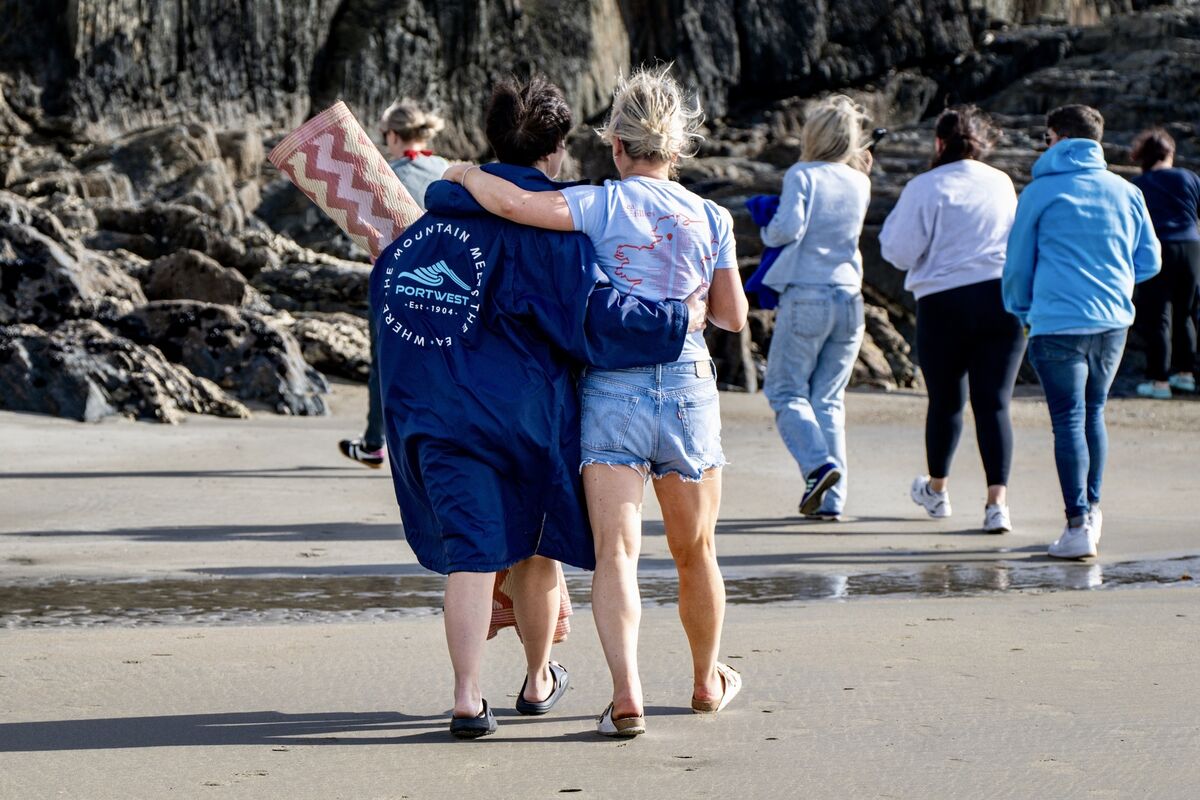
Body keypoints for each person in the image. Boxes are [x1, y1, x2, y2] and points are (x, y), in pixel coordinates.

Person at [371, 76, 705, 738]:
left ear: (486, 140)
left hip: (438, 421)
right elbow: (592, 318)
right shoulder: (553, 234)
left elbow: (391, 324)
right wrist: (676, 320)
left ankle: (468, 698)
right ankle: (536, 680)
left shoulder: (423, 230)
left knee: (471, 554)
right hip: (524, 420)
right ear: (555, 152)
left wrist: (400, 419)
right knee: (537, 547)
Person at [444, 65, 748, 737]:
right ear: (676, 146)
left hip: (613, 388)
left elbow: (517, 206)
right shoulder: (712, 215)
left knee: (617, 554)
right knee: (697, 549)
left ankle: (628, 692)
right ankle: (704, 680)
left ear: (616, 145)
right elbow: (731, 316)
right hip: (689, 384)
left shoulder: (600, 203)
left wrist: (465, 175)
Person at [1003, 104, 1161, 559]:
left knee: (1069, 420)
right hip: (1112, 321)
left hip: (1056, 322)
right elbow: (1149, 261)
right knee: (1093, 414)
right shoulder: (1126, 191)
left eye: (1046, 138)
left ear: (1056, 137)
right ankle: (1090, 512)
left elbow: (1017, 267)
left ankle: (1077, 526)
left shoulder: (1039, 192)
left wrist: (1021, 311)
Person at [879, 106, 1023, 533]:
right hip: (1001, 298)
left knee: (946, 401)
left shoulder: (925, 186)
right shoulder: (1001, 181)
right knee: (994, 403)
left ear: (939, 143)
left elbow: (898, 251)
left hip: (943, 302)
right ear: (979, 142)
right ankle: (997, 504)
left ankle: (938, 492)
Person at [758, 95, 872, 521]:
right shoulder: (860, 181)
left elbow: (789, 228)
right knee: (828, 398)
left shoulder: (802, 174)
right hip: (850, 297)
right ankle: (832, 499)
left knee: (786, 391)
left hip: (807, 294)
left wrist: (765, 228)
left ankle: (817, 467)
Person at [339, 99, 451, 468]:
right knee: (442, 359)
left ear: (391, 134)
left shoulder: (387, 176)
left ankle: (374, 443)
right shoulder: (446, 170)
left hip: (394, 284)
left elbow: (371, 236)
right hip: (446, 284)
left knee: (386, 363)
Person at [1129, 128, 1200, 398]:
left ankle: (1159, 381)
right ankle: (1186, 375)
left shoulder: (1139, 184)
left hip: (1156, 247)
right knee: (1186, 312)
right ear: (1169, 152)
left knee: (1157, 316)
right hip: (1191, 247)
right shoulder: (1189, 177)